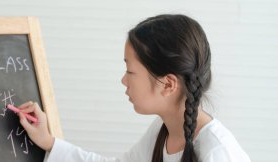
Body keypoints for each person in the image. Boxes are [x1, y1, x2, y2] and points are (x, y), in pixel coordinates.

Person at [15, 14, 251, 162]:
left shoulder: (218, 153)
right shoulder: (163, 130)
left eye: (130, 71)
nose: (123, 80)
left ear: (168, 84)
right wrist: (49, 142)